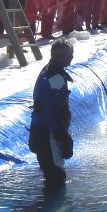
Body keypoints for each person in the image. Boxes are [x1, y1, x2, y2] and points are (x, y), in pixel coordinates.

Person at [29, 38, 75, 191]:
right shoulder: (55, 77)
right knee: (57, 177)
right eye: (69, 55)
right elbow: (52, 108)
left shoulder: (47, 69)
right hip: (48, 133)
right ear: (60, 56)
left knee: (51, 174)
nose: (72, 58)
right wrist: (61, 134)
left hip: (40, 129)